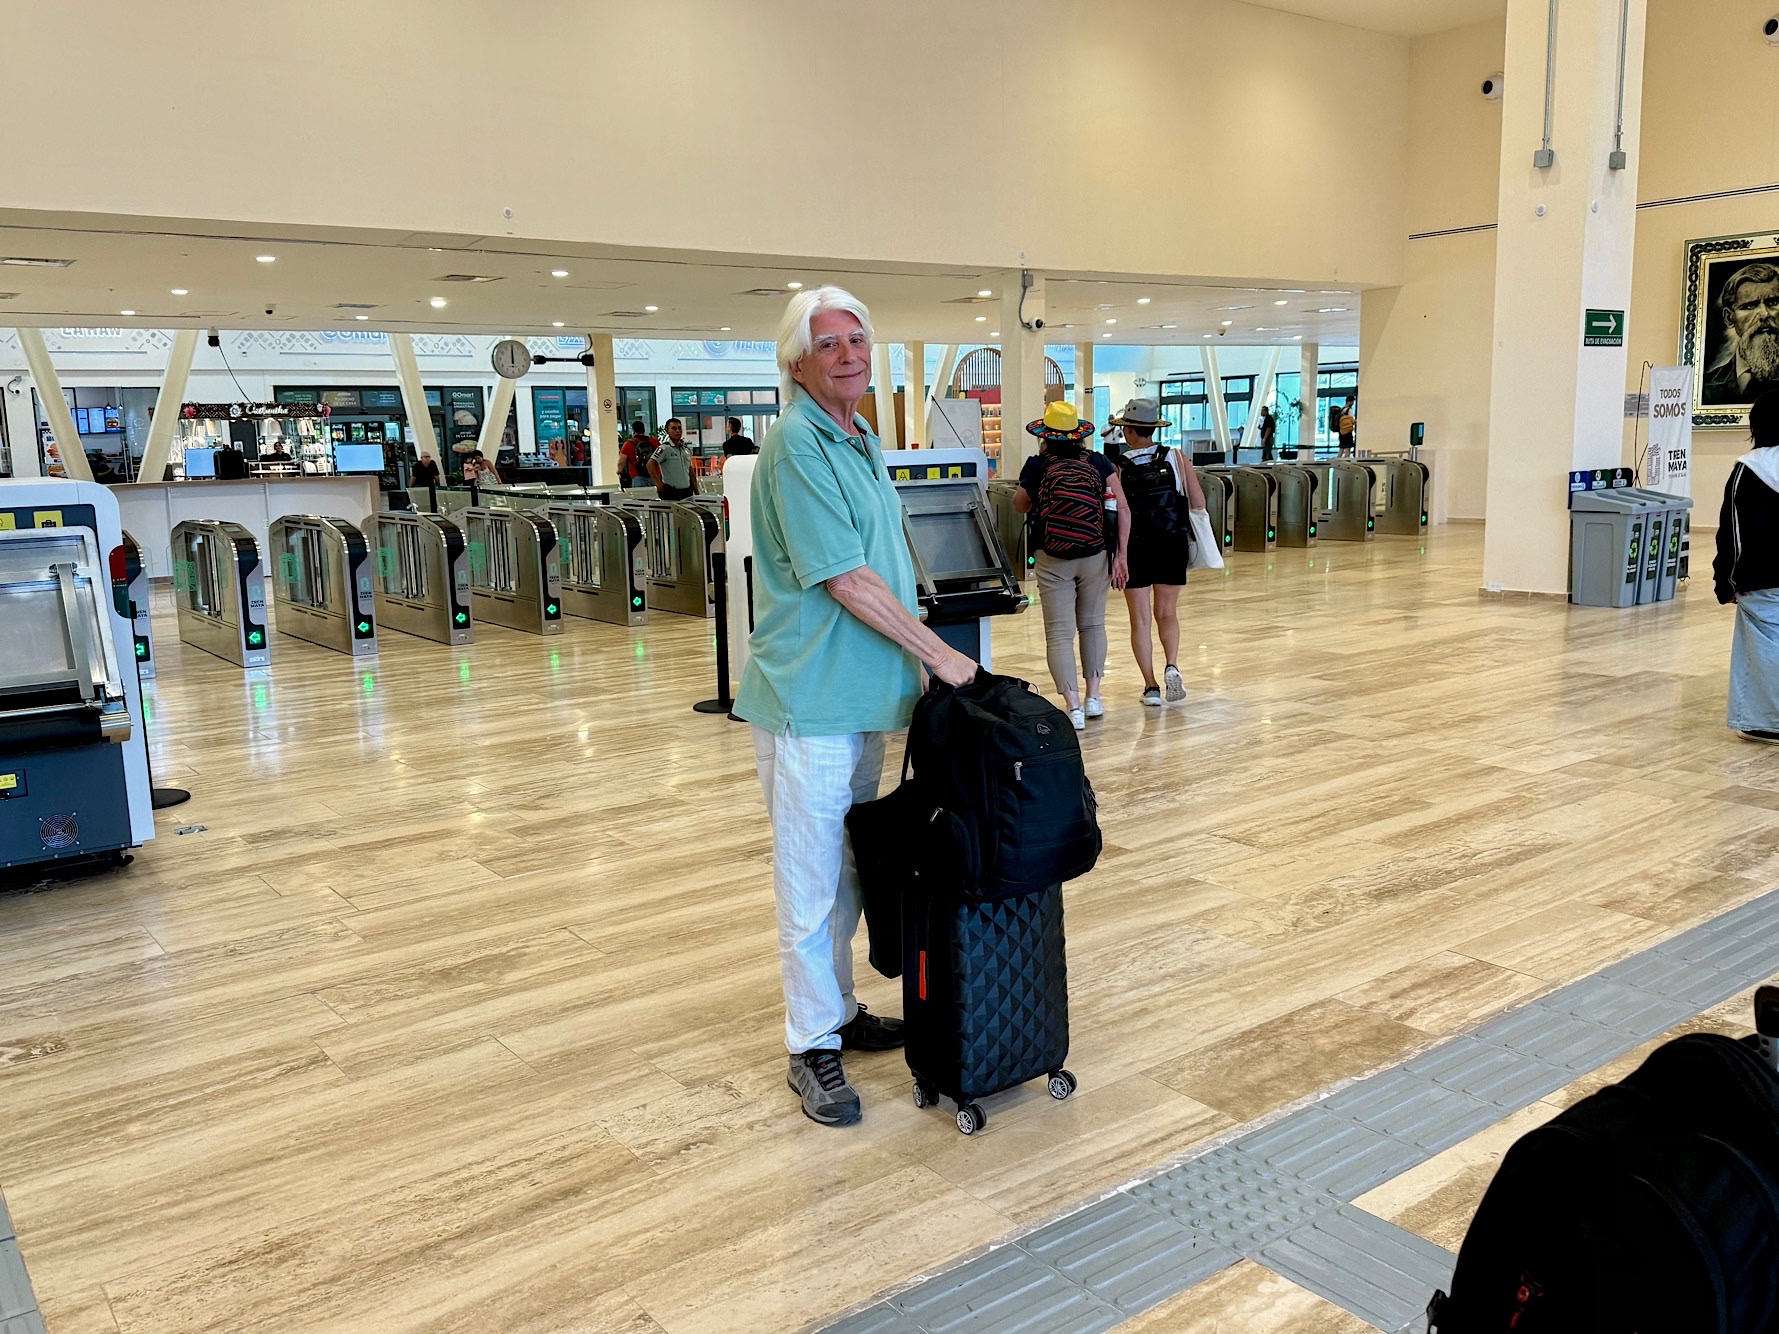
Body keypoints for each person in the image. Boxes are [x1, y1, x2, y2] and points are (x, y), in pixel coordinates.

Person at [734, 285, 977, 1127]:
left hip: (867, 693)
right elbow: (844, 578)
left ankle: (836, 1011)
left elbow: (886, 562)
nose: (847, 355)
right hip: (811, 697)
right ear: (796, 364)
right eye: (827, 344)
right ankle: (810, 1044)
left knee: (848, 868)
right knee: (808, 879)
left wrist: (912, 665)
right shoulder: (797, 445)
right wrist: (939, 654)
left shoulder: (859, 436)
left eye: (856, 339)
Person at [1013, 401, 1129, 730]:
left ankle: (1074, 707)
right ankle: (1094, 697)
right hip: (1095, 554)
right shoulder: (1099, 462)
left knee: (1059, 634)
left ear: (1045, 435)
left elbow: (1020, 505)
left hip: (1052, 557)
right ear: (1078, 434)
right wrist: (1121, 556)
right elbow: (1122, 508)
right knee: (1092, 625)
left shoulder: (1037, 465)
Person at [1110, 397, 1206, 707]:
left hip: (1134, 546)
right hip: (1171, 543)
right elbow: (1198, 502)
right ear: (1153, 428)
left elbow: (1114, 511)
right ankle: (1172, 665)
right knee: (1167, 613)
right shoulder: (1176, 457)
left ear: (1128, 431)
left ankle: (1150, 687)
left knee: (1140, 620)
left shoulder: (1118, 466)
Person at [1714, 391, 1779, 742]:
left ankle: (1767, 722)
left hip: (1765, 580)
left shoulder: (1750, 470)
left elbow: (1735, 533)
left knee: (1767, 648)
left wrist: (1726, 582)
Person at [1703, 262, 1779, 406]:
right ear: (1729, 318)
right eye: (1749, 306)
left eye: (1773, 302)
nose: (1764, 314)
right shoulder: (1705, 386)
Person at [648, 417, 696, 500]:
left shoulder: (685, 450)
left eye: (679, 428)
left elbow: (690, 472)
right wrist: (659, 483)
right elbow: (650, 465)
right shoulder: (664, 448)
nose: (678, 431)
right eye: (674, 428)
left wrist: (696, 492)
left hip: (687, 492)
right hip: (671, 492)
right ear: (667, 431)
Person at [619, 420, 656, 489]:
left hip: (638, 477)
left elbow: (621, 462)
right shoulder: (653, 441)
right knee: (654, 495)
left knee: (640, 495)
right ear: (644, 430)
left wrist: (619, 472)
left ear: (633, 431)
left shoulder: (628, 444)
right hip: (654, 476)